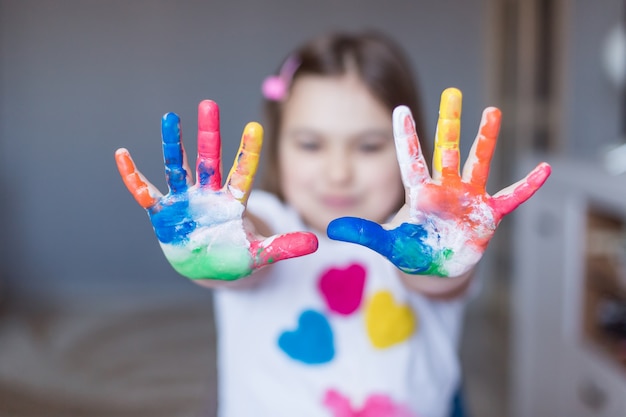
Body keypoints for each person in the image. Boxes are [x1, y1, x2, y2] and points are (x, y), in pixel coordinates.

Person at [114, 31, 551, 417]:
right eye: (310, 144)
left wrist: (439, 247)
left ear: (409, 149)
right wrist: (210, 244)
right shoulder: (266, 220)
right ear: (279, 144)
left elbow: (439, 281)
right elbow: (246, 248)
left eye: (368, 146)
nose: (338, 172)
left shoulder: (427, 235)